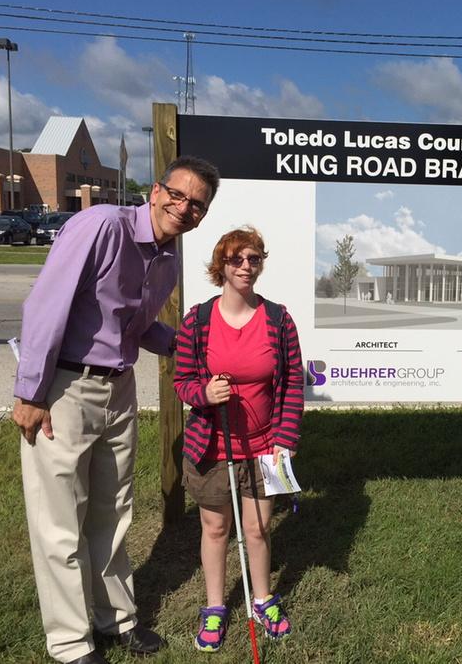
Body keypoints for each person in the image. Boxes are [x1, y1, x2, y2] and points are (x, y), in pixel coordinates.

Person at [12, 156, 220, 664]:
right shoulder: (101, 225)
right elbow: (47, 305)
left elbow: (137, 327)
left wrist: (194, 349)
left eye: (197, 205)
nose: (185, 208)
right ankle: (69, 642)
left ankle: (116, 619)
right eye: (178, 195)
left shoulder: (168, 260)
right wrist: (31, 394)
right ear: (155, 191)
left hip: (119, 388)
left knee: (113, 509)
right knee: (61, 519)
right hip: (63, 387)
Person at [173, 227, 303, 652]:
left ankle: (263, 599)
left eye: (254, 258)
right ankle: (215, 607)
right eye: (236, 260)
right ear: (221, 266)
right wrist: (204, 393)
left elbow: (292, 386)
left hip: (265, 446)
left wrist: (286, 439)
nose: (246, 266)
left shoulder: (279, 319)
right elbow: (183, 380)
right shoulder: (198, 319)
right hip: (213, 448)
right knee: (215, 529)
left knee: (259, 527)